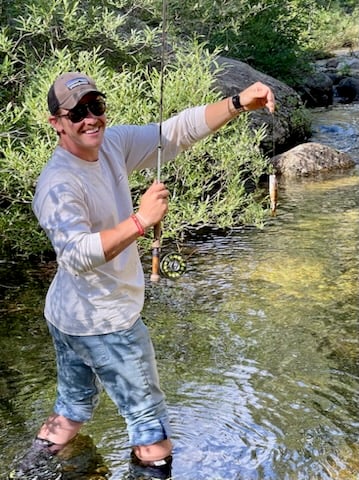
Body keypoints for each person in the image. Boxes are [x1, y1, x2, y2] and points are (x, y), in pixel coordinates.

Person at [15, 71, 275, 479]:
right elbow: (76, 254)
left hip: (66, 316)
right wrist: (141, 221)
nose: (90, 119)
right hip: (106, 322)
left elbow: (173, 132)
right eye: (77, 112)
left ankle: (26, 470)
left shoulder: (112, 144)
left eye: (95, 107)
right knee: (152, 434)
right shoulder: (57, 184)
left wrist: (238, 103)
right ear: (57, 123)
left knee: (72, 409)